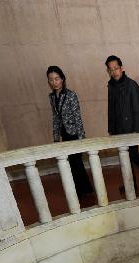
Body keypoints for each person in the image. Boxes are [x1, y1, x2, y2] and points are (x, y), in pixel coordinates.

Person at [105, 54, 139, 192]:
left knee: (133, 156)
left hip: (131, 130)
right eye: (110, 69)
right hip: (118, 130)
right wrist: (111, 128)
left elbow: (138, 110)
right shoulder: (111, 86)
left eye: (116, 68)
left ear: (122, 68)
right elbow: (111, 109)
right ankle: (131, 185)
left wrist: (136, 131)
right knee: (126, 158)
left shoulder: (132, 85)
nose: (114, 72)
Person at [47, 65, 93, 196]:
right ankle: (79, 190)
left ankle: (86, 190)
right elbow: (55, 118)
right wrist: (56, 138)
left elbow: (77, 117)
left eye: (57, 79)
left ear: (62, 79)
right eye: (51, 80)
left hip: (74, 133)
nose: (54, 82)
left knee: (77, 162)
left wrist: (81, 137)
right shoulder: (51, 97)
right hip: (64, 134)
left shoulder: (71, 95)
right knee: (71, 163)